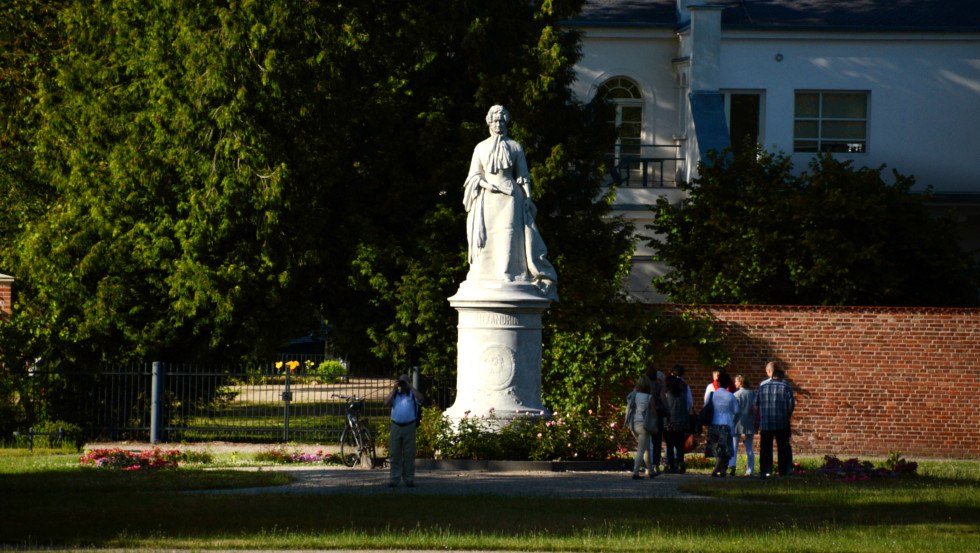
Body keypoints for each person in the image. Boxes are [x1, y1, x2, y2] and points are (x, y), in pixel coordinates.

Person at [463, 105, 558, 299]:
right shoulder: (480, 147)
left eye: (501, 120)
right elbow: (473, 175)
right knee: (486, 236)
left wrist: (528, 197)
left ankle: (507, 272)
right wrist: (486, 185)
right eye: (495, 120)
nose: (498, 124)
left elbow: (523, 176)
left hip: (511, 196)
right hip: (487, 197)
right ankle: (483, 271)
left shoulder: (515, 146)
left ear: (505, 122)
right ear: (489, 122)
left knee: (508, 233)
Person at [384, 374, 426, 487]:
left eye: (404, 383)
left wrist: (411, 387)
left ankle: (409, 479)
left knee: (409, 454)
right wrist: (394, 389)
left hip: (409, 426)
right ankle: (394, 479)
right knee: (394, 453)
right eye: (401, 383)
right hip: (396, 426)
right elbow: (386, 403)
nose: (403, 385)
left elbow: (422, 399)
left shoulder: (413, 395)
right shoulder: (395, 395)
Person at [754, 366, 795, 478]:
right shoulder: (786, 386)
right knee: (782, 447)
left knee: (765, 448)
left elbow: (755, 405)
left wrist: (758, 420)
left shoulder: (762, 386)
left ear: (772, 375)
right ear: (781, 376)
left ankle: (765, 471)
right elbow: (791, 405)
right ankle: (783, 471)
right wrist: (787, 416)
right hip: (781, 422)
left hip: (766, 423)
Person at [705, 372, 739, 477]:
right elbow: (737, 410)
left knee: (717, 448)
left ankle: (720, 469)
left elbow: (706, 405)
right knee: (725, 449)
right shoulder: (731, 396)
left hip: (714, 422)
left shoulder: (713, 395)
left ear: (718, 383)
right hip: (727, 423)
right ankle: (719, 469)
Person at [626, 375, 656, 479]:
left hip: (634, 425)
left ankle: (651, 470)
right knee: (641, 450)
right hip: (644, 426)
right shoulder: (649, 397)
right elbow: (653, 412)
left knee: (645, 447)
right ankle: (635, 472)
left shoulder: (634, 396)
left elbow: (629, 406)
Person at [662, 374, 691, 474]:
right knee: (680, 447)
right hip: (680, 424)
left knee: (669, 446)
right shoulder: (682, 396)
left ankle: (671, 466)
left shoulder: (666, 396)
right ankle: (681, 464)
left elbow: (665, 410)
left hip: (669, 424)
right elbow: (686, 410)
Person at [733, 374, 757, 476]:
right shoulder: (752, 394)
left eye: (736, 381)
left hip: (738, 421)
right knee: (749, 446)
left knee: (734, 446)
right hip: (749, 421)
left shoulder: (736, 395)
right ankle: (750, 469)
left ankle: (732, 466)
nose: (735, 383)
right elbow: (754, 408)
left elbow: (734, 410)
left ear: (740, 382)